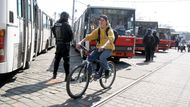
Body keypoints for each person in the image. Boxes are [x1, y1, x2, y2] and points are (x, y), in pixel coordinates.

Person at [51, 11, 73, 81]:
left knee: (57, 60)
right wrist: (69, 40)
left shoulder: (56, 24)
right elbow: (71, 35)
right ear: (66, 17)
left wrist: (56, 37)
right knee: (66, 61)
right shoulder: (67, 25)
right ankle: (67, 76)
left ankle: (54, 74)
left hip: (58, 44)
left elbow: (53, 30)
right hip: (65, 45)